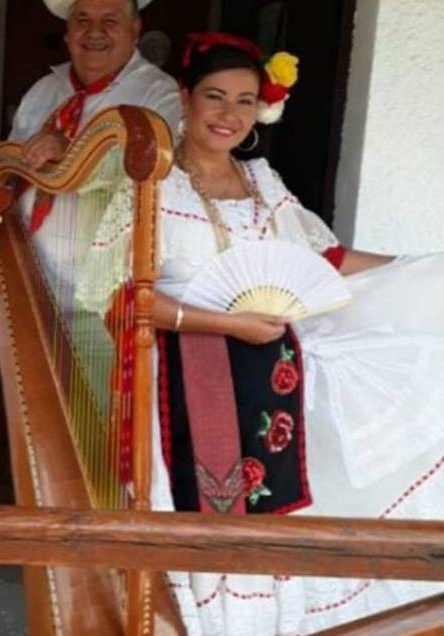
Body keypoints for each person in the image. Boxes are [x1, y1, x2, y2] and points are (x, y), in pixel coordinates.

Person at [77, 32, 444, 635]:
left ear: (260, 109)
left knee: (291, 489)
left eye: (245, 101)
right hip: (182, 371)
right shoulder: (148, 188)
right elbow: (119, 298)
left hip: (268, 370)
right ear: (184, 97)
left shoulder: (263, 182)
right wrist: (226, 323)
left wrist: (411, 268)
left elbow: (323, 257)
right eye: (215, 97)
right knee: (208, 509)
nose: (229, 115)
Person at [0, 0, 180, 311]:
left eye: (110, 21)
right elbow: (13, 176)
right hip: (28, 274)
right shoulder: (43, 89)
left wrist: (73, 154)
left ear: (134, 30)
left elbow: (155, 180)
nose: (94, 32)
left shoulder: (160, 95)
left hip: (102, 295)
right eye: (82, 20)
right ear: (68, 33)